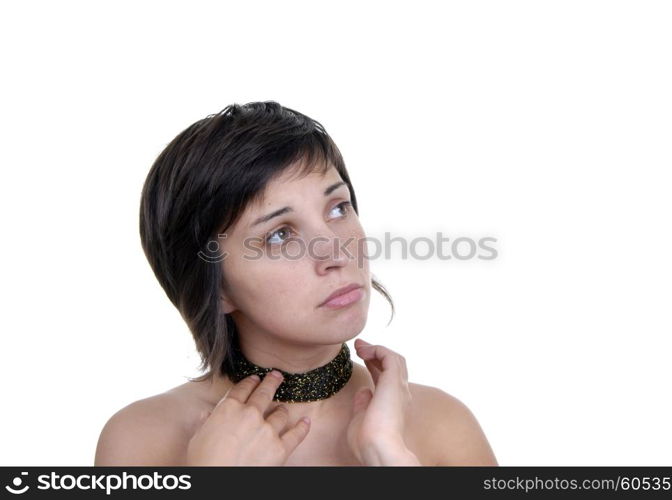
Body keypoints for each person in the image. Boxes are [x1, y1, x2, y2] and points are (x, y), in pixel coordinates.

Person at [94, 101, 498, 466]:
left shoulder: (442, 426)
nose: (336, 252)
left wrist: (390, 457)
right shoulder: (142, 440)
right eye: (280, 235)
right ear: (215, 288)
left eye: (338, 208)